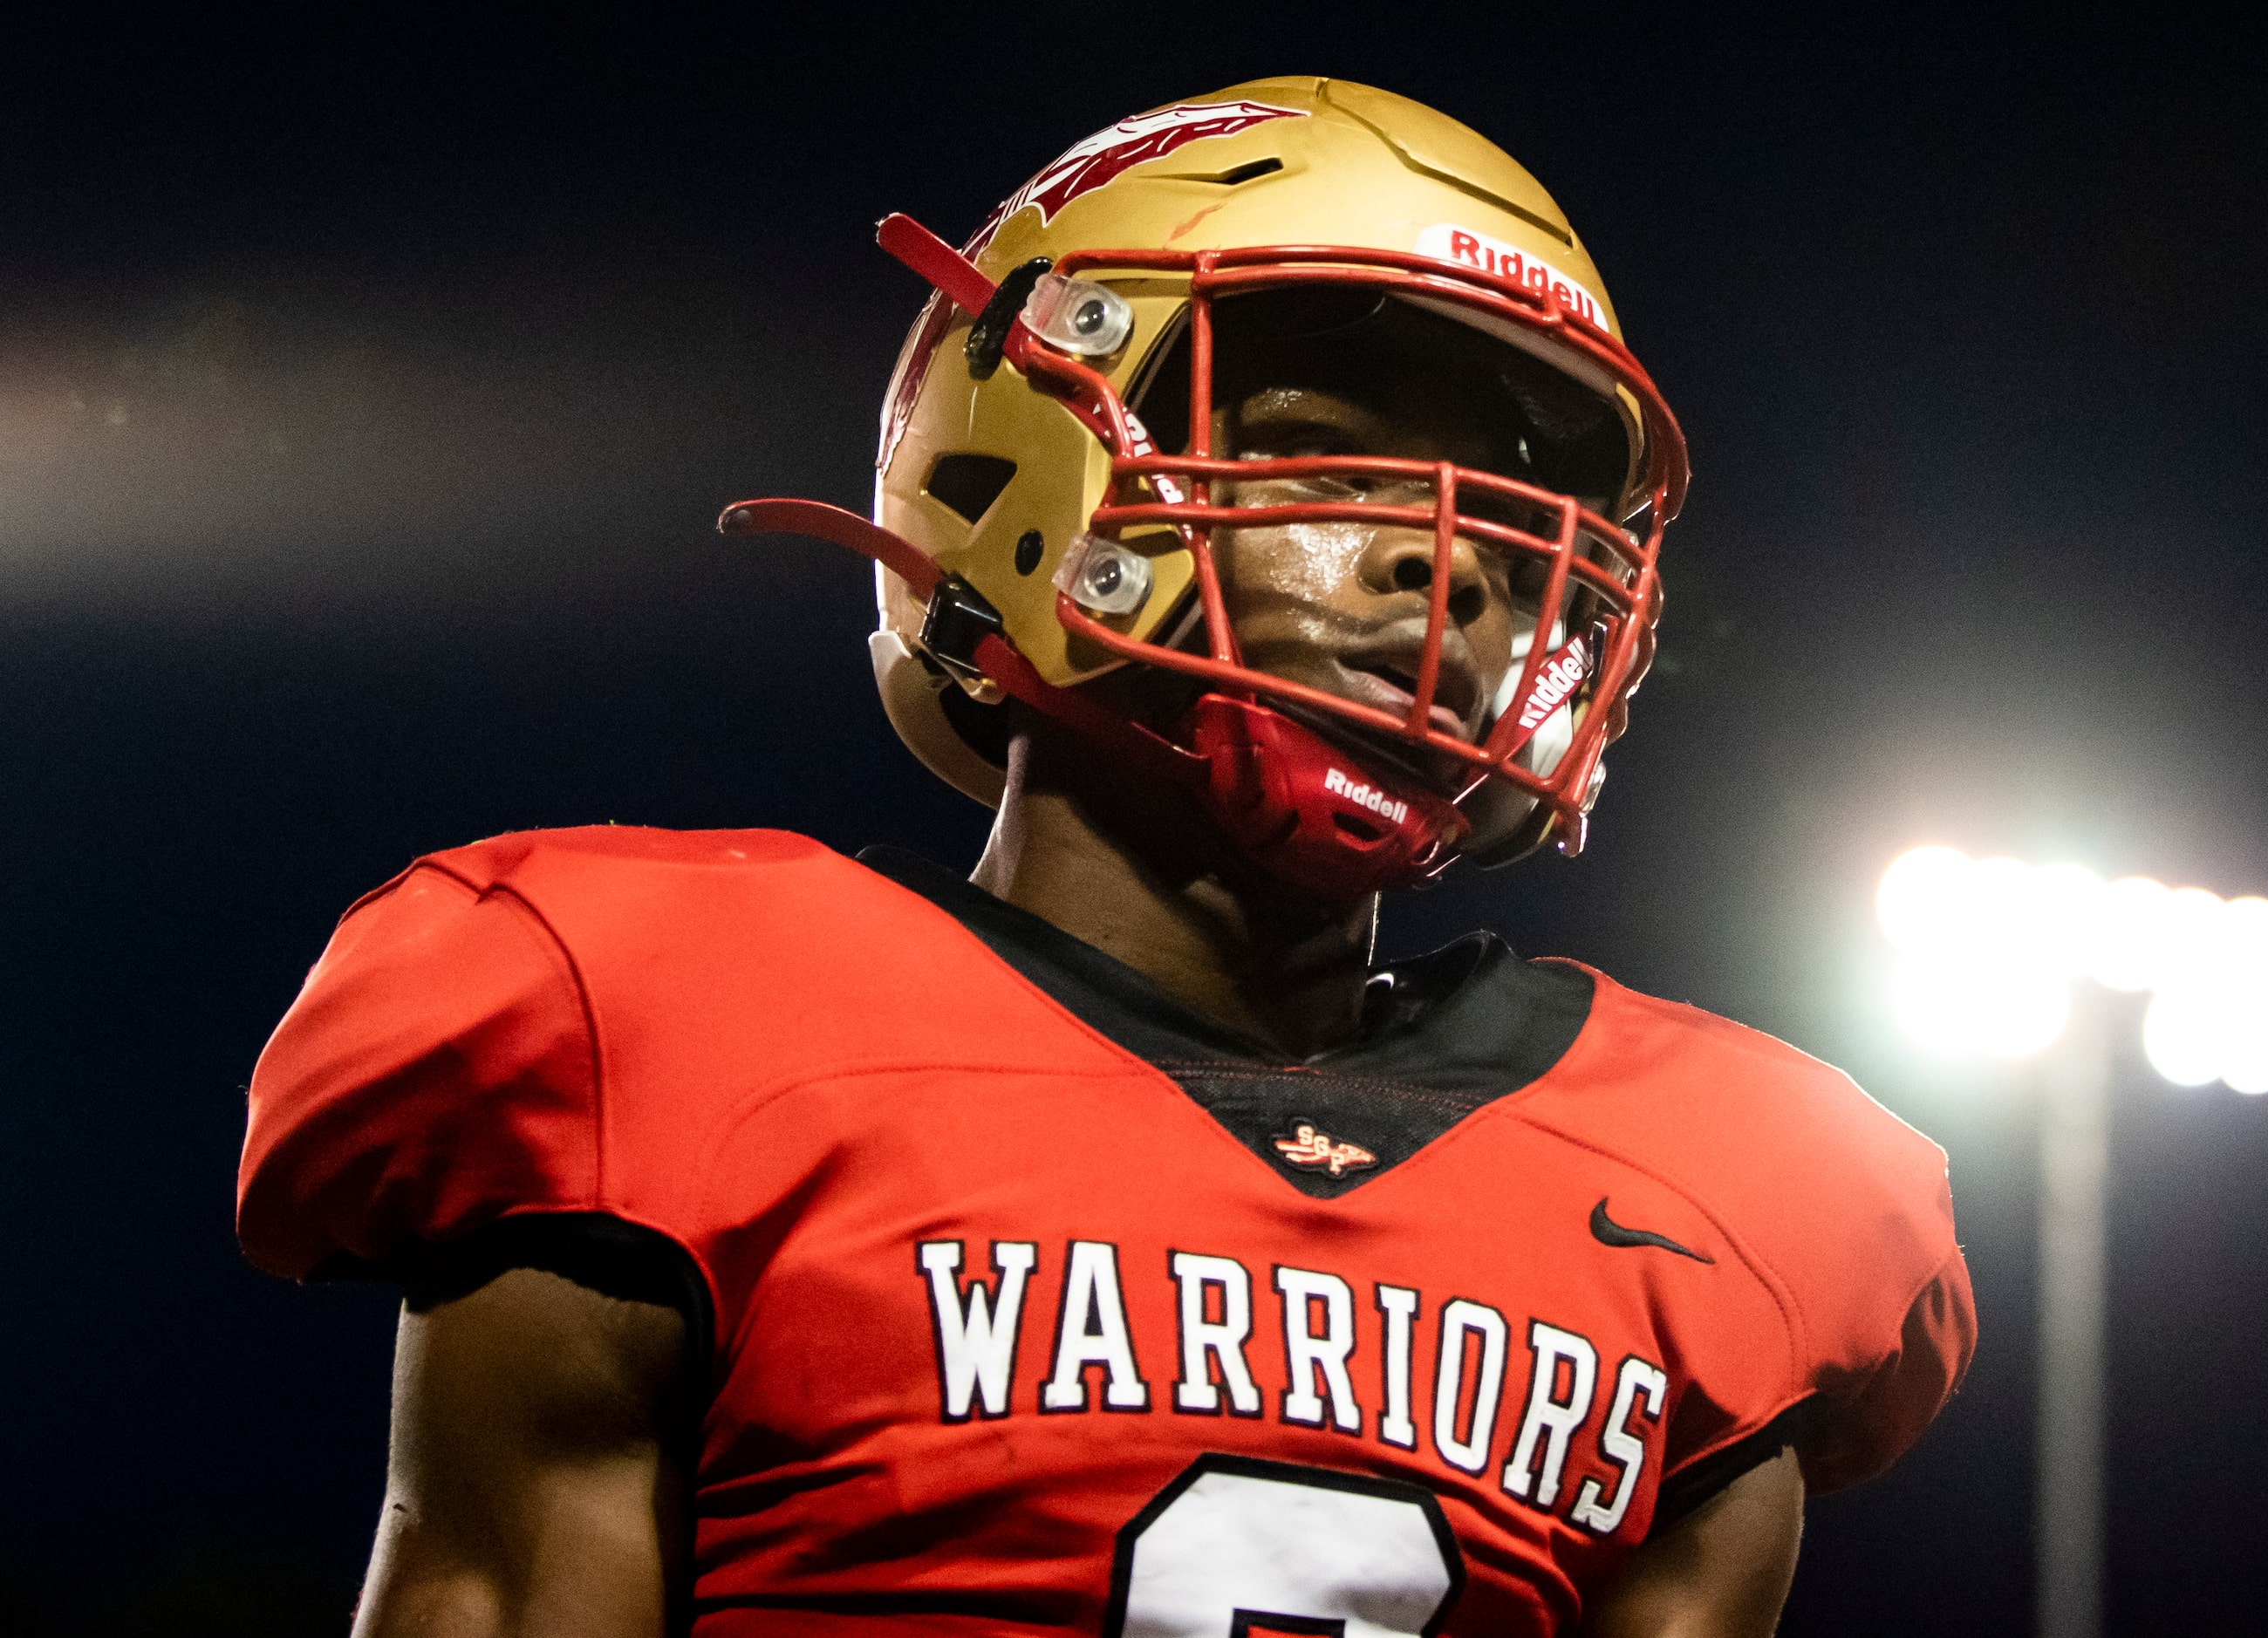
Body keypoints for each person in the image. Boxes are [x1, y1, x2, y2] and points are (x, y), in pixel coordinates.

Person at [237, 77, 1975, 1638]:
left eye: (1512, 532)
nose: (1445, 575)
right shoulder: (652, 1032)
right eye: (1318, 460)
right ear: (1027, 464)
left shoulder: (1725, 1211)